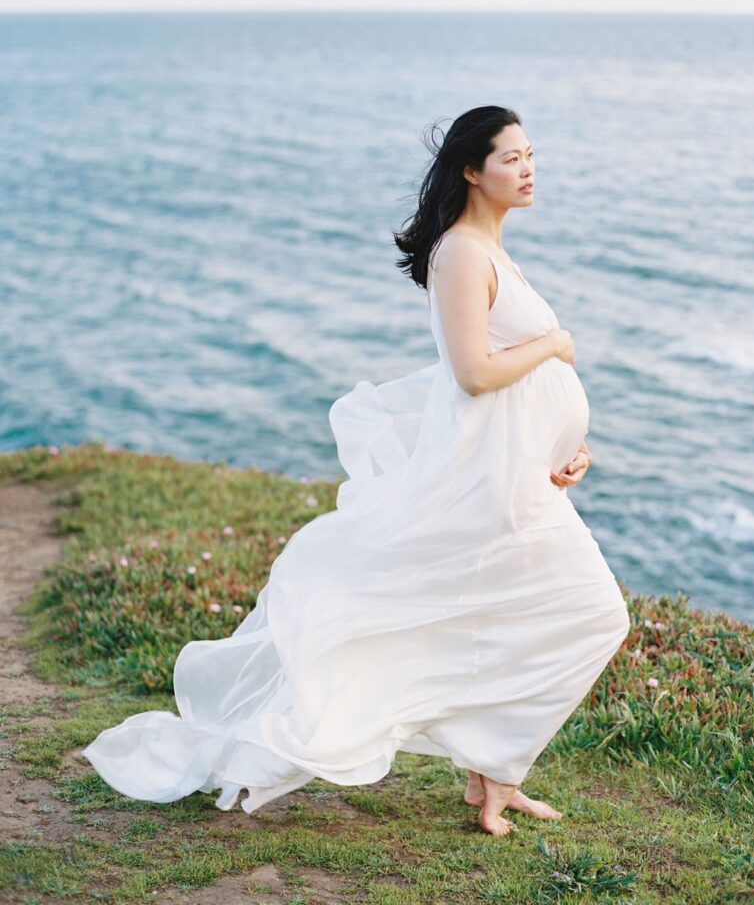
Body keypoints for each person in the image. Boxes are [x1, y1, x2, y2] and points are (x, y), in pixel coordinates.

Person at [82, 104, 631, 838]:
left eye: (532, 154)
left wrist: (565, 447)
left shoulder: (491, 251)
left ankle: (493, 776)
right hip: (487, 492)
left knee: (517, 618)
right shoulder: (463, 254)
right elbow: (472, 374)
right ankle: (493, 772)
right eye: (511, 157)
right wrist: (558, 345)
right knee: (590, 615)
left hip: (521, 484)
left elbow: (512, 391)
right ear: (472, 170)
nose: (528, 169)